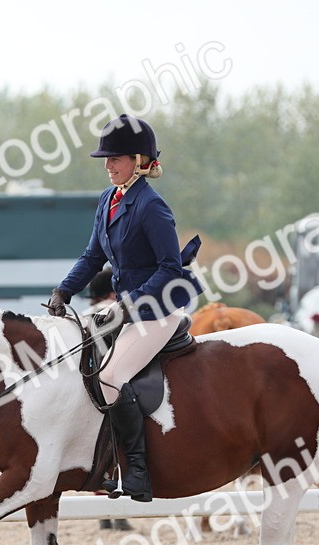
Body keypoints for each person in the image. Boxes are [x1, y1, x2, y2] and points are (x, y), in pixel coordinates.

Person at [46, 114, 202, 502]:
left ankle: (136, 470)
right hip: (126, 309)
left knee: (110, 378)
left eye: (115, 159)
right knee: (82, 365)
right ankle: (102, 459)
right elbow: (93, 255)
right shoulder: (109, 200)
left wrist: (131, 303)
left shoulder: (152, 207)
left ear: (137, 160)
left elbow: (170, 268)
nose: (107, 165)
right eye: (106, 159)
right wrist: (64, 290)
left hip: (158, 310)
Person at [82, 269, 135, 531]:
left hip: (86, 391)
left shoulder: (85, 318)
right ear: (114, 292)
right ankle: (118, 512)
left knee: (101, 451)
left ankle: (103, 513)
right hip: (116, 387)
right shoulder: (115, 312)